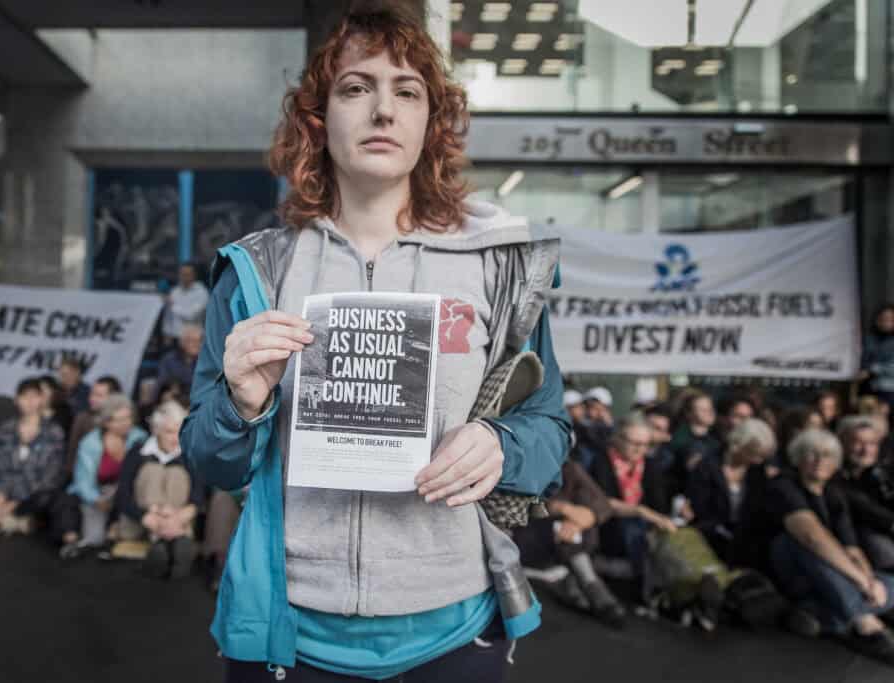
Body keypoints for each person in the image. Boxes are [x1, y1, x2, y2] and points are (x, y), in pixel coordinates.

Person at [180, 7, 571, 680]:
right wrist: (242, 405)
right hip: (291, 635)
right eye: (357, 88)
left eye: (407, 91)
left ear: (431, 121)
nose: (383, 110)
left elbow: (552, 429)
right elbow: (209, 459)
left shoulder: (500, 267)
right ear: (318, 118)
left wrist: (503, 446)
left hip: (452, 633)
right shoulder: (255, 272)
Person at [748, 429, 894, 664]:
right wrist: (860, 581)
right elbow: (811, 536)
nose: (819, 461)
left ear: (835, 462)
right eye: (811, 454)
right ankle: (864, 622)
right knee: (800, 542)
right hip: (789, 568)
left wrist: (870, 581)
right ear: (798, 458)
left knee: (887, 583)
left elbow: (852, 548)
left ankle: (822, 616)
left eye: (826, 455)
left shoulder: (833, 493)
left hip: (828, 578)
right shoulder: (783, 486)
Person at [514, 459, 625, 628]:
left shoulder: (568, 468)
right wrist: (558, 509)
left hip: (560, 542)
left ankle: (583, 584)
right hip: (522, 537)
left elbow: (602, 503)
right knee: (565, 524)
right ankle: (591, 586)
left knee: (579, 517)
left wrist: (582, 517)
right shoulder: (521, 461)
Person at [589, 414, 675, 601]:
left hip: (642, 528)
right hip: (609, 524)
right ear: (618, 438)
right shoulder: (601, 461)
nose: (639, 449)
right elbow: (603, 501)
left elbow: (659, 505)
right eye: (633, 442)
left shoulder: (650, 466)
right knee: (633, 525)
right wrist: (640, 511)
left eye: (645, 444)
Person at [0, 378, 65, 534]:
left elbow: (49, 476)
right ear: (17, 400)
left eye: (34, 396)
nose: (30, 401)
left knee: (48, 497)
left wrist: (13, 503)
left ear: (42, 399)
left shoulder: (54, 432)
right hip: (5, 490)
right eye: (25, 397)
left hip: (31, 492)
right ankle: (12, 521)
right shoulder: (5, 429)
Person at [115, 400, 202, 578]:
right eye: (169, 432)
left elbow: (198, 496)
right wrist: (147, 517)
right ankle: (162, 543)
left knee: (176, 474)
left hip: (178, 519)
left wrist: (178, 517)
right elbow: (122, 495)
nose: (176, 438)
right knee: (154, 470)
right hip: (142, 520)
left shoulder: (191, 454)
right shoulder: (138, 452)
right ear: (156, 430)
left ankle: (170, 545)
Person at [56, 394, 147, 554]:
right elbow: (83, 481)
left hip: (126, 492)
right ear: (106, 422)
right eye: (118, 420)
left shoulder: (140, 437)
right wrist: (96, 500)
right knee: (95, 539)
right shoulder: (90, 443)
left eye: (128, 418)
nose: (126, 423)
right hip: (98, 492)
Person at [687, 418, 775, 564]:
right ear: (740, 445)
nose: (758, 460)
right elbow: (700, 508)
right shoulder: (707, 467)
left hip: (746, 536)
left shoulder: (757, 471)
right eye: (754, 454)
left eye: (762, 456)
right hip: (712, 534)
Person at [833, 416, 894, 572]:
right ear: (842, 443)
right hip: (859, 542)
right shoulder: (833, 475)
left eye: (872, 443)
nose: (866, 450)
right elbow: (861, 507)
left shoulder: (881, 472)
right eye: (858, 443)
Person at [65, 375, 123, 479]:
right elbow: (72, 453)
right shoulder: (82, 418)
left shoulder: (124, 420)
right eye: (92, 394)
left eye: (99, 395)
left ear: (114, 398)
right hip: (83, 477)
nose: (92, 398)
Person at [162, 261, 210, 346]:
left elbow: (191, 315)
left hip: (192, 339)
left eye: (187, 274)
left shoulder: (202, 292)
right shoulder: (175, 291)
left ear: (194, 275)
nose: (184, 276)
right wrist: (166, 332)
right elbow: (168, 316)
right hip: (174, 338)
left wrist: (173, 305)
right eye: (182, 274)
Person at [862, 304, 894, 420]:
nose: (886, 322)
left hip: (889, 389)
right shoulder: (868, 339)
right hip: (868, 388)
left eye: (890, 319)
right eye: (883, 319)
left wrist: (871, 370)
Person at [155, 323, 202, 398]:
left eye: (199, 341)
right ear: (182, 342)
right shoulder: (169, 360)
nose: (196, 344)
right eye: (192, 341)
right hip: (176, 400)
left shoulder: (205, 361)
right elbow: (163, 386)